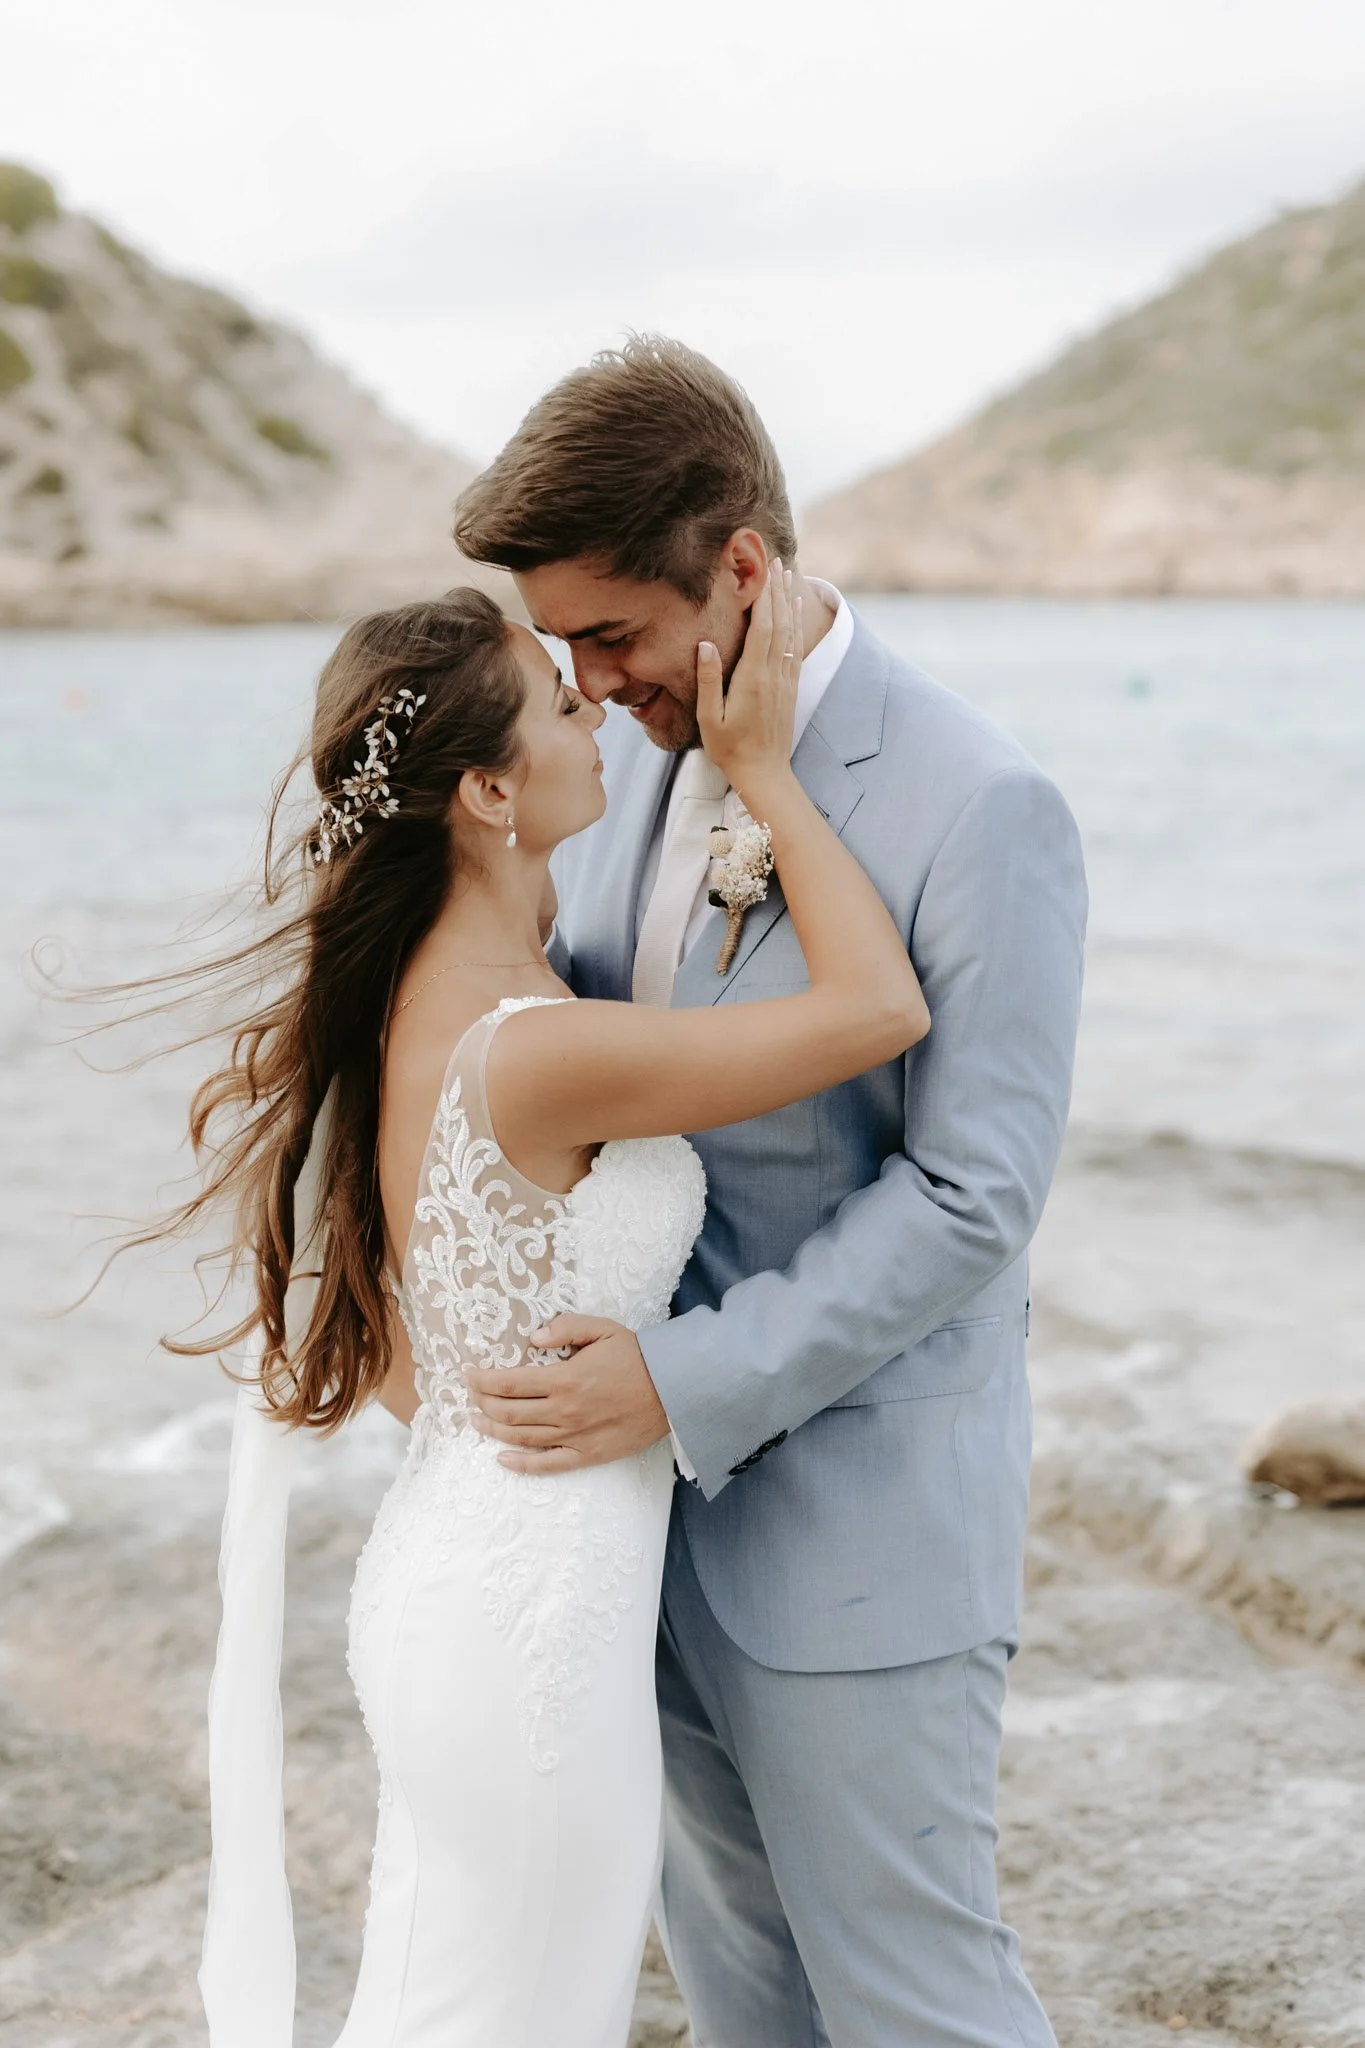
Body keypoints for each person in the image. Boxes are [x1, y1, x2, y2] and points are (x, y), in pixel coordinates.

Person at [191, 566, 928, 2046]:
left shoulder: (426, 995)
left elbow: (419, 1340)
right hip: (527, 1627)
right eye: (550, 701)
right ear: (482, 791)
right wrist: (766, 772)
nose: (591, 704)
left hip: (469, 1574)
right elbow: (878, 1012)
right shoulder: (537, 1048)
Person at [452, 334, 1088, 2048]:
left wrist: (677, 1384)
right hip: (640, 1533)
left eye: (610, 634)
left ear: (740, 568)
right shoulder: (633, 763)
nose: (584, 683)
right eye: (560, 646)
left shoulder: (980, 804)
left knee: (917, 2005)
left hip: (859, 1544)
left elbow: (974, 1198)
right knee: (747, 1998)